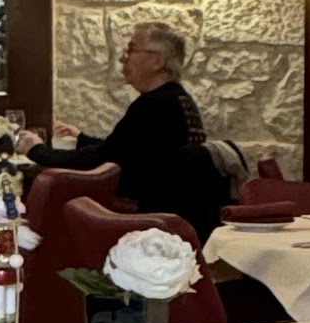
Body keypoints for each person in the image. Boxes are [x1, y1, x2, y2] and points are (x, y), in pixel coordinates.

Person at [36, 19, 225, 240]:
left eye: (131, 50)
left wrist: (37, 151)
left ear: (157, 61)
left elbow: (102, 160)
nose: (122, 59)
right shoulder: (176, 98)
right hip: (176, 218)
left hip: (149, 223)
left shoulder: (155, 105)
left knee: (66, 208)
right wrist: (81, 138)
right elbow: (127, 149)